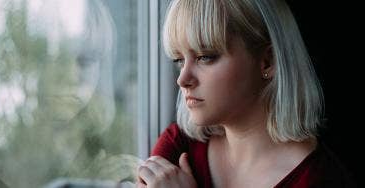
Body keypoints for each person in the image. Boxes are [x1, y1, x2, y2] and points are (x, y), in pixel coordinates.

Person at [137, 0, 356, 187]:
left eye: (206, 56)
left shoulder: (321, 180)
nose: (182, 79)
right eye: (179, 60)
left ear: (267, 61)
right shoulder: (179, 145)